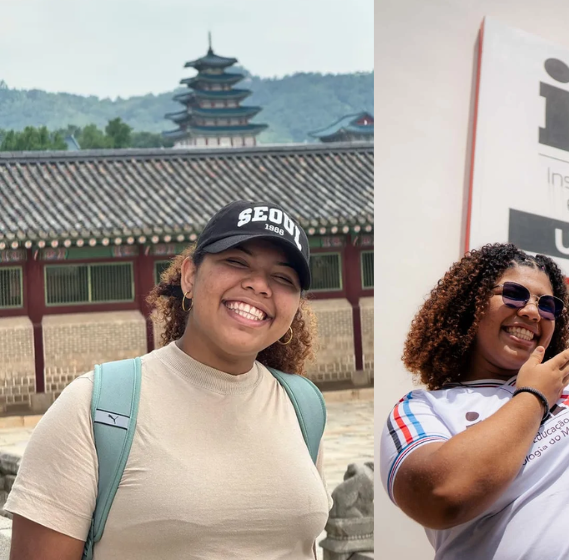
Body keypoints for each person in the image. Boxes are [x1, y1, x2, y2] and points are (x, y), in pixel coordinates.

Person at [6, 200, 331, 560]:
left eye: (283, 278)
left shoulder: (303, 405)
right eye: (236, 262)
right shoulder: (94, 405)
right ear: (190, 276)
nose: (259, 285)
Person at [380, 243, 569, 559]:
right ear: (470, 305)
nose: (531, 311)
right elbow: (439, 497)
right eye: (514, 294)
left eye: (547, 305)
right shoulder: (419, 410)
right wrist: (534, 396)